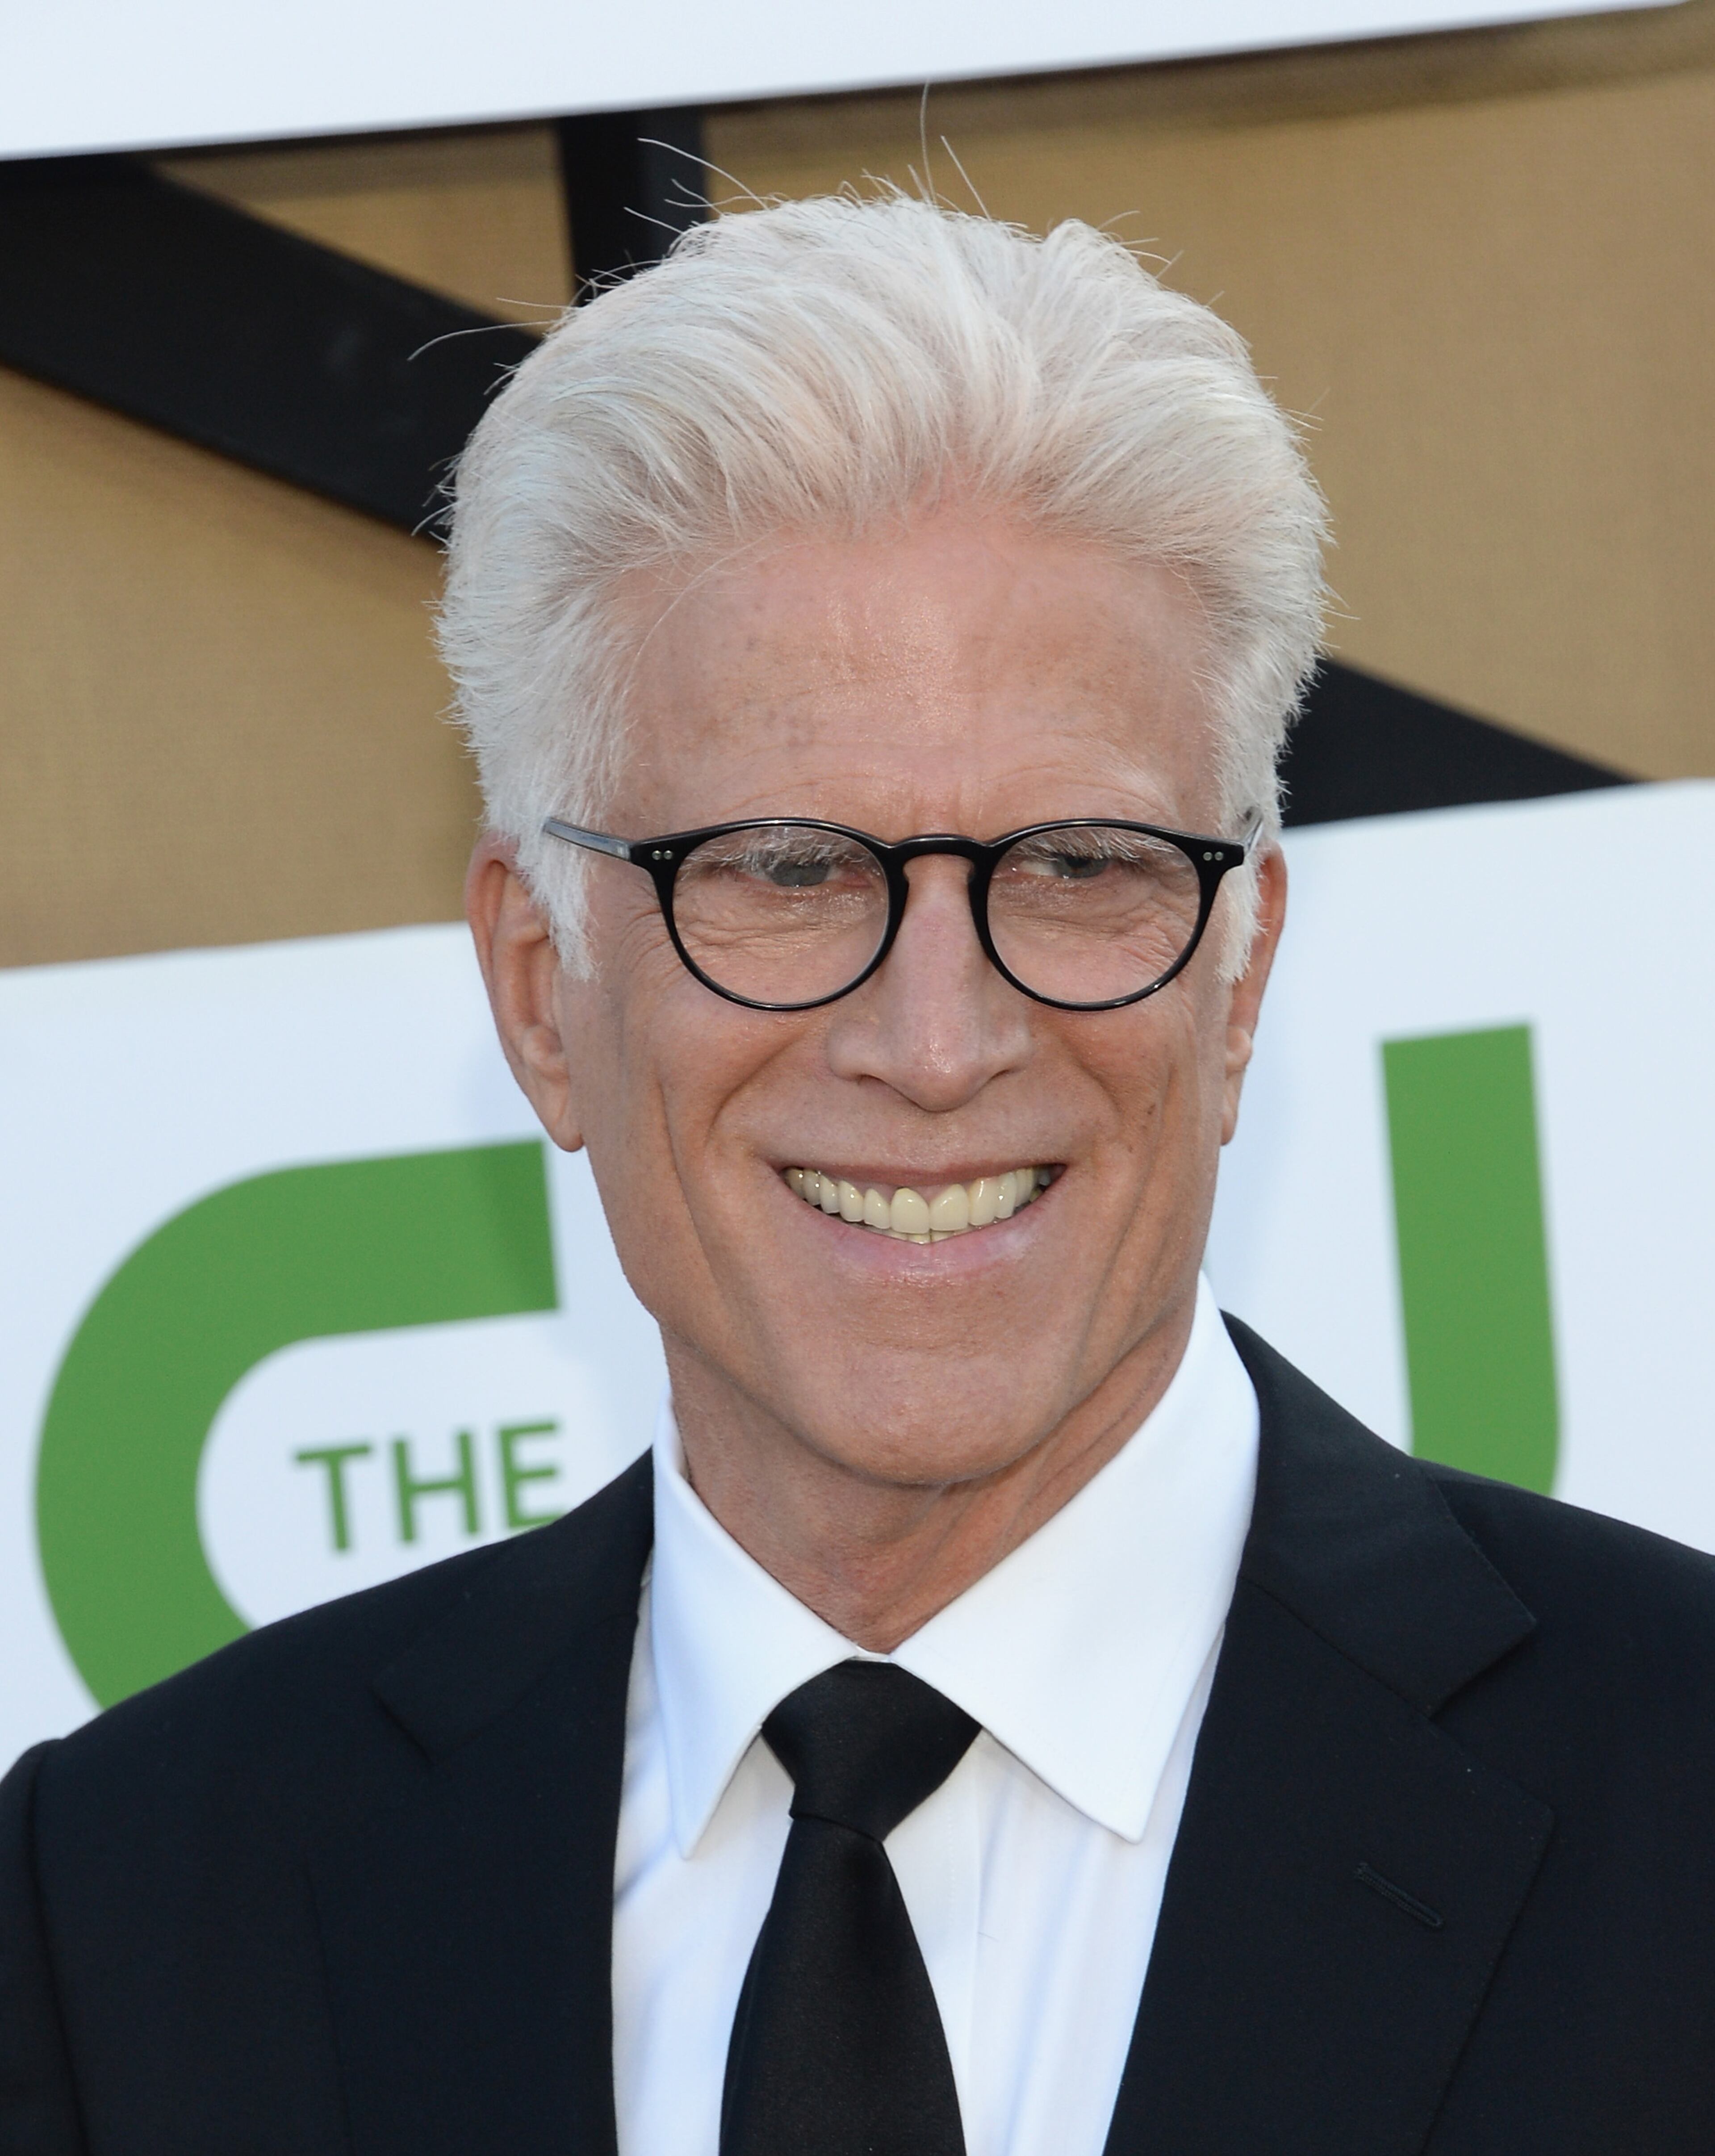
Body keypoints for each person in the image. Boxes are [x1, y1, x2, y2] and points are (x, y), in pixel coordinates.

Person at [4, 194, 1714, 2156]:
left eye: (1077, 867)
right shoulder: (130, 1905)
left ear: (1239, 980)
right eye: (789, 870)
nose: (935, 1043)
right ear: (541, 990)